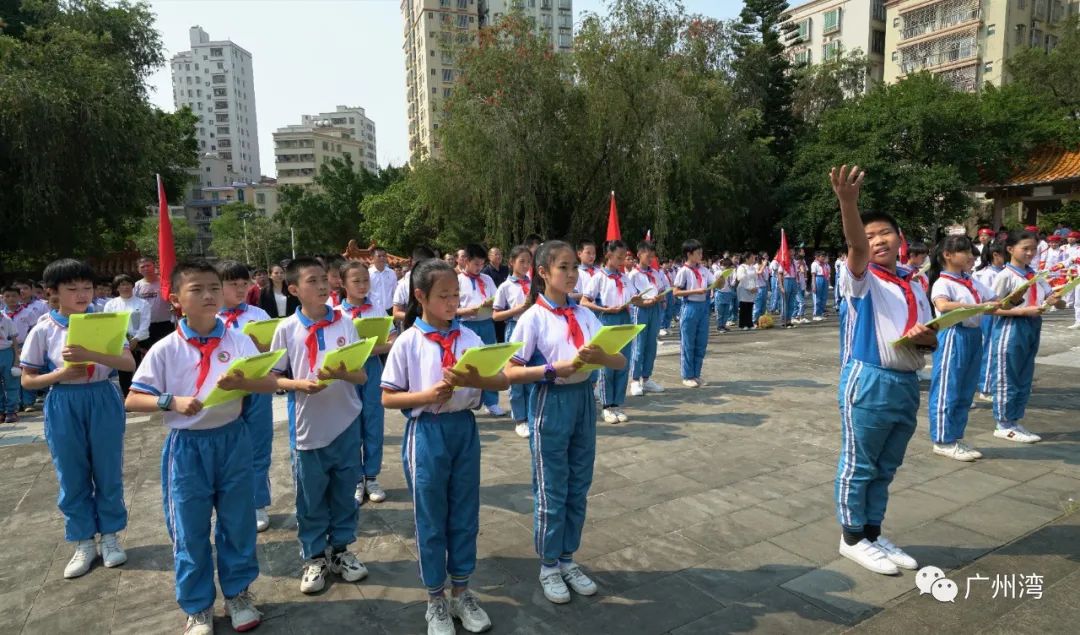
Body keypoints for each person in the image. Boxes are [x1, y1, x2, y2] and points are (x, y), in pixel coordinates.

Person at [126, 259, 274, 634]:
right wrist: (169, 402)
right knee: (189, 529)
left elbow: (269, 382)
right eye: (197, 290)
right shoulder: (165, 349)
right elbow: (133, 398)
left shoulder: (239, 340)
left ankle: (238, 593)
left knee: (238, 522)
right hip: (188, 447)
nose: (209, 295)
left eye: (213, 287)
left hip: (232, 439)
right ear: (176, 300)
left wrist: (249, 380)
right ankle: (198, 605)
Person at [382, 259, 507, 635]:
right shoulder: (408, 341)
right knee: (431, 516)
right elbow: (388, 397)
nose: (453, 302)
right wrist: (426, 395)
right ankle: (435, 598)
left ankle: (462, 591)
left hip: (464, 429)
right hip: (427, 432)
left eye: (456, 295)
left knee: (465, 512)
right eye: (444, 296)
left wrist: (478, 377)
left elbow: (500, 381)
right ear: (420, 297)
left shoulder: (469, 338)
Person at [830, 165, 935, 576]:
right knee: (859, 463)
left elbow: (928, 338)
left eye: (885, 234)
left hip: (907, 381)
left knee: (886, 466)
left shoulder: (913, 282)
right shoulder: (860, 278)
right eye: (870, 235)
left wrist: (927, 337)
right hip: (869, 379)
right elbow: (856, 248)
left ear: (900, 238)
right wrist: (848, 203)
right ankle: (851, 537)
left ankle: (873, 532)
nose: (877, 241)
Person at [505, 240, 623, 606]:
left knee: (578, 485)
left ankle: (568, 558)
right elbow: (510, 370)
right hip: (550, 402)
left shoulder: (585, 315)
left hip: (583, 403)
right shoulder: (533, 318)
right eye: (563, 268)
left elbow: (618, 361)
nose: (572, 274)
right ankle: (548, 565)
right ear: (542, 273)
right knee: (552, 488)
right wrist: (554, 369)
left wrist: (603, 355)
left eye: (575, 267)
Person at [21, 259, 136, 579]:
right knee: (71, 473)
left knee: (108, 470)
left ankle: (111, 536)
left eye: (87, 287)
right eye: (72, 289)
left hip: (102, 396)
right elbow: (27, 380)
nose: (81, 294)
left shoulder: (105, 321)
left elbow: (127, 363)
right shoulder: (43, 329)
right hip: (64, 401)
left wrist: (93, 355)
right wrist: (61, 373)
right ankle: (83, 541)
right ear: (52, 293)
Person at [269, 257, 371, 594]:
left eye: (324, 280)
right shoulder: (286, 329)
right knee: (310, 496)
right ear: (294, 289)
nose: (323, 286)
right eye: (312, 281)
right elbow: (272, 379)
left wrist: (341, 373)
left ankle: (341, 550)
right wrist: (299, 385)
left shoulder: (344, 323)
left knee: (344, 491)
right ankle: (314, 556)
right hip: (308, 427)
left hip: (345, 421)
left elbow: (362, 375)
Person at [987, 230, 1065, 443]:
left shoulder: (1036, 276)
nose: (1030, 253)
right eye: (1025, 248)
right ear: (1011, 249)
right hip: (1010, 328)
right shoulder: (1004, 276)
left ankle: (1014, 419)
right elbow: (992, 309)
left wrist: (1056, 300)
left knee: (1024, 376)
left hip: (1032, 326)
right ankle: (1002, 423)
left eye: (1033, 248)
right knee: (1007, 375)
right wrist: (1022, 311)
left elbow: (1057, 302)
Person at [926, 236, 999, 461]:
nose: (970, 255)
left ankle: (955, 436)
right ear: (948, 255)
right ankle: (942, 439)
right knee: (948, 386)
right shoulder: (943, 282)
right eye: (965, 251)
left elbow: (994, 300)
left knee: (966, 389)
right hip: (953, 335)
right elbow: (943, 305)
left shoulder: (971, 281)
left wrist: (1012, 301)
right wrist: (976, 306)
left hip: (974, 335)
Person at [216, 261, 276, 533]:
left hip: (256, 389)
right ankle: (230, 503)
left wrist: (264, 345)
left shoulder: (259, 314)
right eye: (233, 284)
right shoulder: (212, 318)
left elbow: (273, 350)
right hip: (224, 393)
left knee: (259, 446)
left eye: (244, 284)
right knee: (227, 451)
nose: (240, 289)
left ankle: (258, 502)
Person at [338, 261, 396, 506]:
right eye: (356, 281)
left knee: (373, 421)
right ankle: (354, 479)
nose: (363, 285)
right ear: (343, 284)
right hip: (346, 372)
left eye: (365, 280)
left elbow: (393, 340)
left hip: (372, 368)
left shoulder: (377, 310)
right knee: (350, 426)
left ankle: (371, 476)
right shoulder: (335, 314)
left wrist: (368, 347)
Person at [581, 240, 639, 424]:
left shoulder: (624, 277)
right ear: (608, 255)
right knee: (607, 362)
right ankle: (606, 405)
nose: (622, 260)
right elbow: (584, 301)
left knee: (623, 362)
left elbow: (633, 296)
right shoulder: (598, 277)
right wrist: (604, 309)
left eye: (624, 257)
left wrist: (638, 299)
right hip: (606, 319)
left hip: (624, 318)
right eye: (619, 257)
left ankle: (617, 403)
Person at [456, 243, 506, 417]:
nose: (479, 268)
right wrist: (466, 311)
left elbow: (497, 299)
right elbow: (451, 308)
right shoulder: (457, 281)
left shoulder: (487, 279)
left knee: (490, 362)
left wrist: (491, 303)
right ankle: (467, 399)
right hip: (466, 325)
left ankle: (491, 402)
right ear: (466, 261)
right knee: (467, 363)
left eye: (481, 264)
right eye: (476, 264)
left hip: (486, 324)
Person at [492, 245, 534, 438]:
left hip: (533, 331)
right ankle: (520, 419)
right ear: (511, 263)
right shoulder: (505, 287)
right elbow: (496, 315)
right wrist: (518, 309)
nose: (526, 265)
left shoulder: (534, 283)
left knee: (532, 374)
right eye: (521, 261)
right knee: (515, 376)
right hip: (514, 329)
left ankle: (532, 415)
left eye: (528, 261)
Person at [627, 241, 667, 396]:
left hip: (655, 309)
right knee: (639, 345)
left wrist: (661, 299)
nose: (650, 259)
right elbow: (631, 298)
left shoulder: (655, 273)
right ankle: (635, 380)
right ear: (639, 255)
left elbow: (662, 290)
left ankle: (647, 378)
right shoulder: (633, 275)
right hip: (640, 311)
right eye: (647, 255)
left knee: (651, 345)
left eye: (652, 256)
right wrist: (645, 302)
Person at [673, 240, 714, 388]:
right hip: (690, 306)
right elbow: (676, 292)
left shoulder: (704, 270)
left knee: (701, 342)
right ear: (689, 254)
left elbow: (713, 282)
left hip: (703, 306)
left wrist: (721, 281)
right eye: (698, 253)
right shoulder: (683, 271)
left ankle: (696, 374)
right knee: (688, 342)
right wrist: (695, 291)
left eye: (701, 252)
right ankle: (687, 375)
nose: (701, 255)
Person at [102, 274, 150, 396]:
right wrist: (125, 342)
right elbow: (109, 324)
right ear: (117, 288)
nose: (125, 287)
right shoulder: (111, 305)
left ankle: (142, 395)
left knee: (142, 370)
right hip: (120, 342)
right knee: (124, 372)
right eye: (122, 285)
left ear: (132, 286)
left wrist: (136, 339)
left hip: (139, 341)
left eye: (128, 284)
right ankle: (127, 397)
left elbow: (145, 323)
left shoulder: (143, 303)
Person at [975, 242, 1007, 400]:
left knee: (992, 349)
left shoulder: (998, 271)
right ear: (996, 255)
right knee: (989, 348)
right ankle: (985, 388)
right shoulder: (988, 274)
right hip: (990, 314)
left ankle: (988, 384)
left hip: (996, 312)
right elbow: (987, 297)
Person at [134, 257, 175, 348]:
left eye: (148, 265)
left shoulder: (166, 283)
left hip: (166, 323)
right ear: (139, 270)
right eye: (142, 267)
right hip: (146, 325)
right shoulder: (137, 286)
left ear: (154, 266)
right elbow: (134, 306)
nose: (146, 268)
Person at [393, 246, 438, 323]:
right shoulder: (403, 285)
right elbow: (396, 313)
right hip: (412, 326)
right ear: (412, 262)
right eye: (423, 264)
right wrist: (418, 319)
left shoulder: (437, 282)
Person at [0, 309, 19, 423]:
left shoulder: (6, 319)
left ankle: (11, 411)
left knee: (11, 382)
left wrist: (16, 359)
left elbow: (14, 340)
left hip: (7, 352)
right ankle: (1, 411)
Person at [369, 247, 398, 315]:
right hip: (373, 310)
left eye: (384, 256)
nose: (382, 258)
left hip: (390, 309)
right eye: (379, 256)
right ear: (373, 258)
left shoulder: (392, 273)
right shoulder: (368, 274)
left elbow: (395, 292)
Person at [713, 257, 736, 332]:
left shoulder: (731, 272)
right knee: (720, 311)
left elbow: (732, 283)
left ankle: (724, 325)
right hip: (720, 293)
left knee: (726, 311)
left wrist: (734, 276)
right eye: (728, 266)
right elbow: (714, 283)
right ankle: (719, 326)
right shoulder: (718, 272)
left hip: (728, 293)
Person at [736, 253, 758, 330]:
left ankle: (749, 323)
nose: (753, 259)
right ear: (746, 259)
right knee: (744, 306)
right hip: (744, 289)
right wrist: (749, 288)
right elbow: (741, 279)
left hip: (752, 289)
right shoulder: (741, 267)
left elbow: (756, 278)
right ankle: (743, 324)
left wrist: (756, 287)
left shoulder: (753, 267)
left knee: (750, 306)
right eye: (752, 258)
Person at [811, 252, 831, 321]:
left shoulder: (825, 265)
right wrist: (813, 285)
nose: (823, 258)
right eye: (822, 256)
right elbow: (813, 275)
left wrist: (828, 283)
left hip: (825, 279)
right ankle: (816, 314)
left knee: (824, 297)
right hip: (818, 278)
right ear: (818, 257)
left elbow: (828, 273)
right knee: (817, 297)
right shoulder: (815, 264)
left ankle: (821, 313)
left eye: (824, 257)